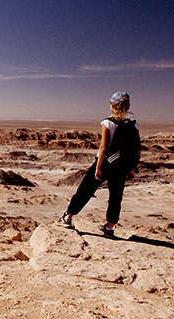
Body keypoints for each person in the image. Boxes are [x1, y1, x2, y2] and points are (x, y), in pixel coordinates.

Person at [58, 91, 140, 238]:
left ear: (111, 105)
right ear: (128, 106)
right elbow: (134, 146)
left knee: (86, 190)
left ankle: (68, 217)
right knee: (116, 196)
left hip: (106, 163)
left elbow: (103, 148)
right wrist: (132, 167)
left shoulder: (108, 123)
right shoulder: (133, 123)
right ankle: (109, 228)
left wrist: (98, 168)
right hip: (122, 165)